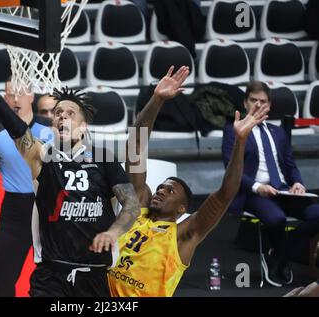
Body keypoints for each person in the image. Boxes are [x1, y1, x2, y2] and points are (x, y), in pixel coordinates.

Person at [0, 43, 141, 297]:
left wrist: (112, 232)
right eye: (58, 113)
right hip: (52, 276)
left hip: (94, 273)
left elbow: (132, 204)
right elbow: (10, 121)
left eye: (70, 113)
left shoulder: (105, 159)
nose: (62, 117)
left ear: (83, 127)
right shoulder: (42, 157)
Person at [108, 66, 270, 297]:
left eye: (170, 191)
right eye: (161, 187)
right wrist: (157, 99)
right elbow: (136, 145)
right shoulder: (136, 211)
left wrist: (240, 141)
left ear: (182, 209)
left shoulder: (183, 234)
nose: (161, 191)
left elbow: (225, 195)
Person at [222, 81, 319, 287]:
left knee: (317, 214)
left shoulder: (278, 132)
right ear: (245, 103)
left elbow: (290, 165)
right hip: (252, 192)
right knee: (276, 219)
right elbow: (231, 170)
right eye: (253, 100)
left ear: (269, 105)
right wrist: (258, 187)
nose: (258, 105)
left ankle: (280, 253)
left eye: (262, 101)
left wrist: (298, 183)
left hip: (283, 190)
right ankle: (282, 258)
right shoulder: (234, 130)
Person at [0, 77, 53, 297]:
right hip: (15, 211)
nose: (14, 99)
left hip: (50, 207)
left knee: (56, 278)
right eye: (9, 94)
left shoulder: (50, 131)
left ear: (31, 96)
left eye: (19, 93)